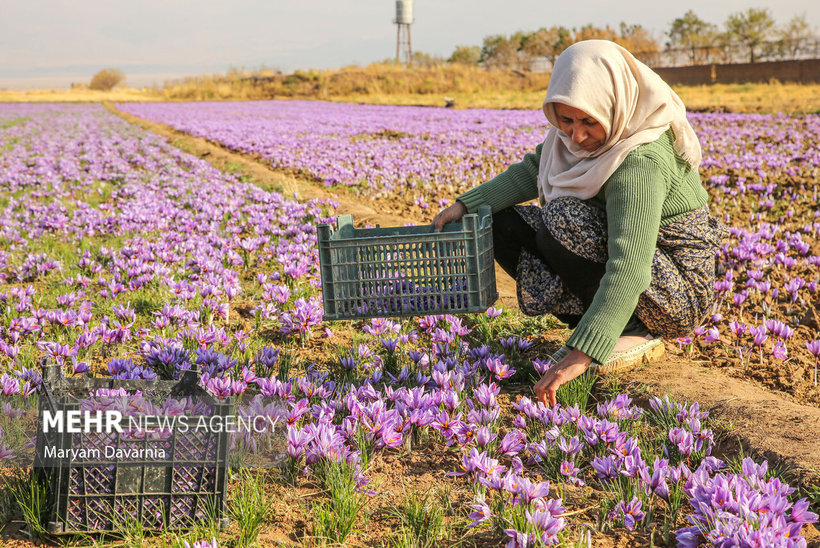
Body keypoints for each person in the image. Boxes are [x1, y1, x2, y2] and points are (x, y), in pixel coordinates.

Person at [432, 40, 723, 408]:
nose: (577, 135)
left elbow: (630, 268)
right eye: (565, 120)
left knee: (563, 218)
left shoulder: (639, 161)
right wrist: (465, 205)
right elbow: (529, 172)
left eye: (589, 121)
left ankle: (630, 331)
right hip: (643, 270)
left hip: (676, 292)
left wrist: (581, 355)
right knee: (498, 221)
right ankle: (597, 320)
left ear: (615, 106)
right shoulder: (568, 139)